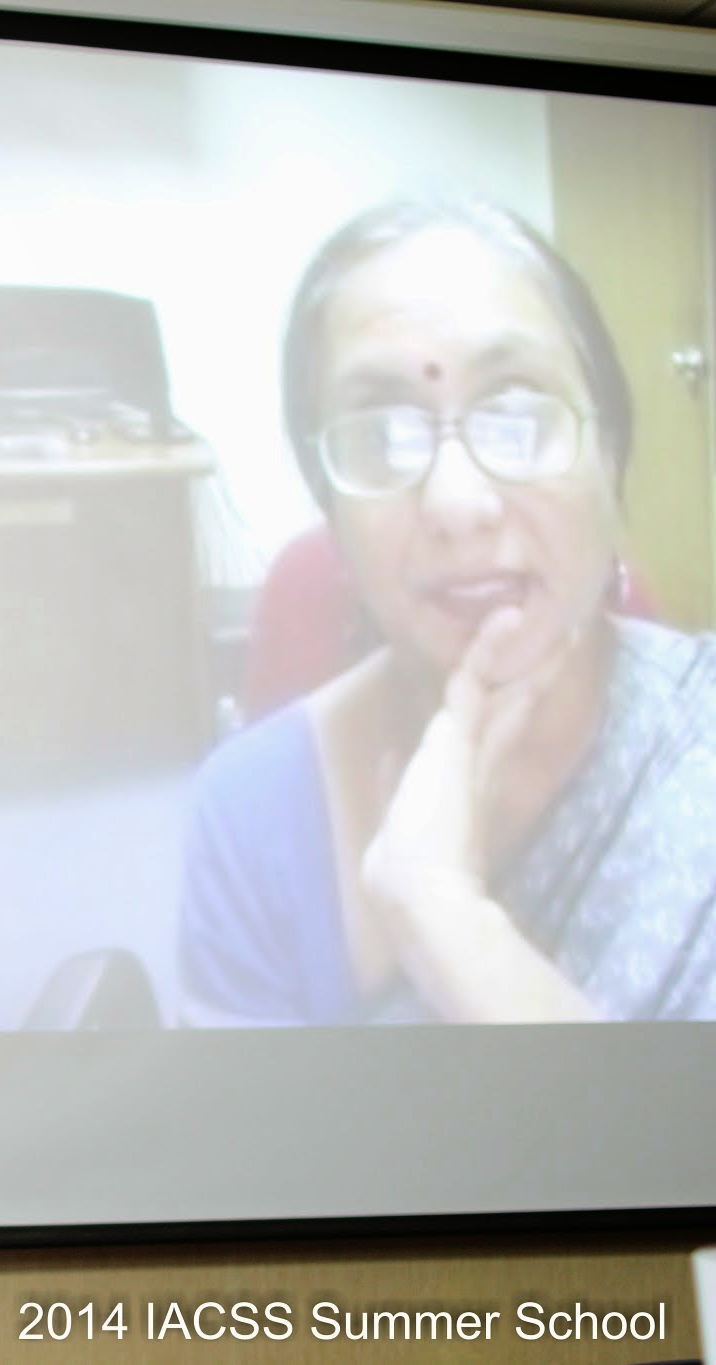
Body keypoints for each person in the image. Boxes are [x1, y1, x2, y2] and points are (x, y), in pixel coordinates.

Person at [180, 196, 716, 1026]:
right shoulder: (249, 813)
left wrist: (448, 919)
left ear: (609, 453)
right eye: (382, 436)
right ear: (332, 512)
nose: (458, 503)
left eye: (517, 415)